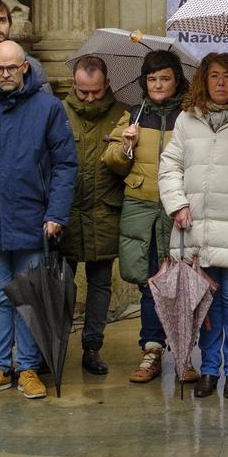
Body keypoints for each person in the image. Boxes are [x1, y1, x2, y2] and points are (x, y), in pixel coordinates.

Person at [0, 40, 78, 402]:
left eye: (12, 67)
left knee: (30, 297)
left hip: (33, 218)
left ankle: (26, 367)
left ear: (25, 67)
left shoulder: (48, 108)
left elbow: (65, 165)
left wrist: (56, 213)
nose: (5, 74)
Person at [159, 52, 228, 400]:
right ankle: (208, 369)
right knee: (204, 301)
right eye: (214, 76)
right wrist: (177, 204)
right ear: (204, 80)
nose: (220, 82)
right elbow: (170, 166)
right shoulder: (186, 120)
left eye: (227, 76)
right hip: (196, 226)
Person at [105, 50, 189, 386]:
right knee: (151, 281)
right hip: (141, 209)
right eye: (152, 79)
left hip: (178, 209)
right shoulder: (133, 114)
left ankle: (184, 353)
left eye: (164, 78)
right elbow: (110, 159)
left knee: (183, 283)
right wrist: (126, 146)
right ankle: (152, 350)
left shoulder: (189, 116)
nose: (158, 84)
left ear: (176, 81)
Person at [62, 55, 130, 377]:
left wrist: (127, 148)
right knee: (62, 284)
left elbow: (127, 167)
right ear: (74, 84)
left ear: (107, 85)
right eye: (83, 91)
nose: (89, 98)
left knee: (100, 283)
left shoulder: (122, 115)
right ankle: (56, 344)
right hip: (66, 212)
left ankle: (92, 347)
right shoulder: (58, 113)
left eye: (96, 92)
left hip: (105, 210)